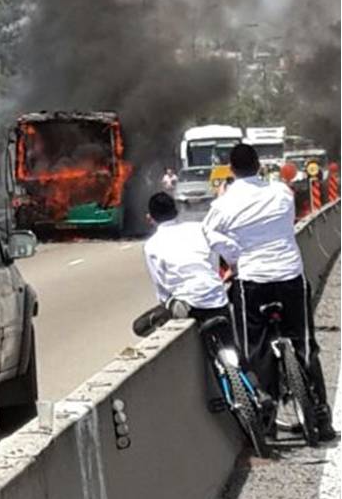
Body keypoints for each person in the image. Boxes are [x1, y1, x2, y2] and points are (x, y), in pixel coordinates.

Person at [202, 142, 336, 441]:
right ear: (259, 165)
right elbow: (287, 221)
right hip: (290, 275)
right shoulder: (281, 192)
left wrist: (235, 257)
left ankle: (267, 415)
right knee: (304, 345)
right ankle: (322, 418)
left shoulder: (223, 205)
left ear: (231, 169)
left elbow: (210, 237)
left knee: (254, 348)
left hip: (252, 280)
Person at [143, 191, 229, 323]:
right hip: (218, 297)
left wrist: (165, 303)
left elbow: (160, 285)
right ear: (176, 211)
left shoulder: (151, 245)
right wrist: (231, 269)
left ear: (150, 218)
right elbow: (230, 247)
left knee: (143, 325)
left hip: (189, 304)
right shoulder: (199, 228)